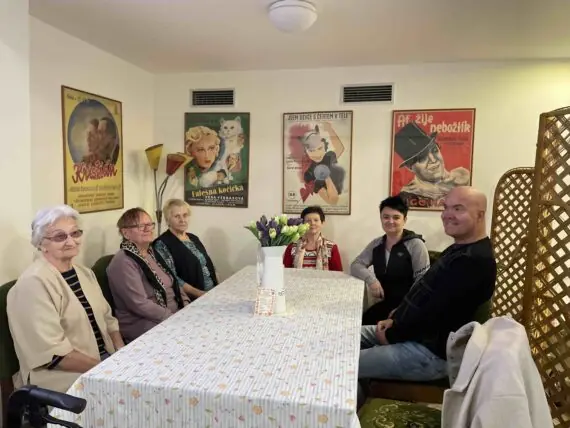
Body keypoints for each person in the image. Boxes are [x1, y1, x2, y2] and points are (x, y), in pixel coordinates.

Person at [359, 187, 497, 384]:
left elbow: (432, 314)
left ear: (480, 215)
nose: (447, 214)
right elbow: (422, 294)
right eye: (446, 207)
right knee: (341, 336)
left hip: (430, 353)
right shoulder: (458, 249)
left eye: (458, 208)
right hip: (407, 331)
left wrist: (391, 334)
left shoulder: (473, 261)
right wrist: (395, 319)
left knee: (341, 361)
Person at [7, 205, 123, 393]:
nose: (71, 241)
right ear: (41, 243)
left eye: (75, 233)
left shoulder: (84, 273)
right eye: (60, 237)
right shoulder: (32, 284)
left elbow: (108, 319)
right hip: (62, 377)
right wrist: (106, 369)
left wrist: (121, 353)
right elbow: (54, 355)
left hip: (102, 362)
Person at [107, 208, 189, 342]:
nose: (148, 229)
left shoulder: (152, 252)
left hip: (171, 314)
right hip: (143, 323)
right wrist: (173, 317)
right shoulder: (123, 262)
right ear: (125, 233)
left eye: (150, 224)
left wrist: (186, 304)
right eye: (141, 226)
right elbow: (139, 304)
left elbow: (173, 282)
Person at [351, 195, 430, 325]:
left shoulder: (415, 245)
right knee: (358, 323)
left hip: (409, 307)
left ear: (404, 220)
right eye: (386, 217)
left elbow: (422, 282)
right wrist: (372, 281)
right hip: (386, 303)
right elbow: (356, 264)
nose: (390, 221)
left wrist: (402, 310)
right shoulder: (377, 244)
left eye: (396, 217)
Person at [394, 122, 470, 209]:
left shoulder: (463, 180)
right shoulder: (407, 197)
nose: (433, 160)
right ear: (409, 167)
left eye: (434, 150)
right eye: (422, 158)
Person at [154, 199, 218, 299]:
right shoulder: (161, 244)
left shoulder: (193, 238)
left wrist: (218, 287)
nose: (182, 220)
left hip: (211, 292)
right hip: (192, 298)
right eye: (177, 216)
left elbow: (207, 264)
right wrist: (200, 294)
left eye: (185, 215)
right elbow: (171, 278)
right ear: (168, 219)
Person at [282, 205, 343, 271]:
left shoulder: (332, 247)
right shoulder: (292, 247)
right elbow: (285, 272)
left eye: (316, 220)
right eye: (308, 220)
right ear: (303, 224)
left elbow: (338, 274)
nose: (312, 223)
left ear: (322, 223)